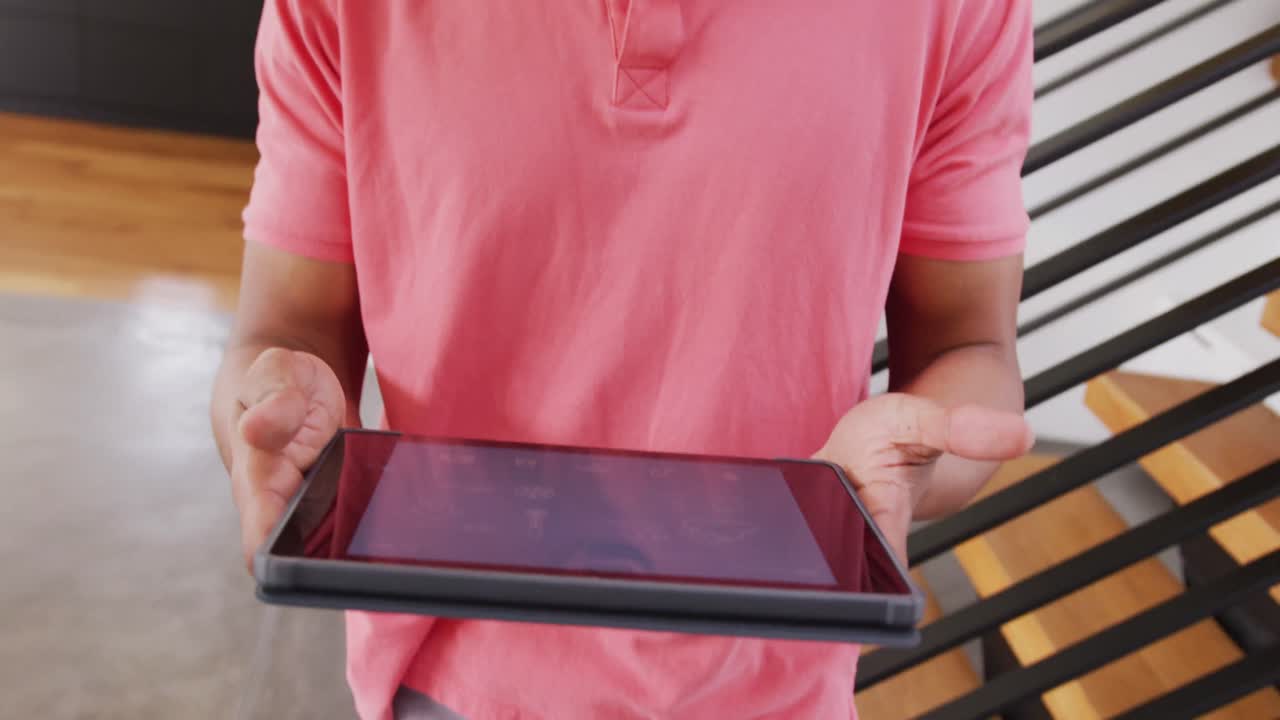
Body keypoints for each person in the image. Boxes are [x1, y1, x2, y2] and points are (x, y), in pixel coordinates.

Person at [211, 1, 1036, 717]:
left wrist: (910, 466)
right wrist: (276, 402)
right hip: (447, 677)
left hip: (776, 676)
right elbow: (286, 326)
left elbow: (970, 348)